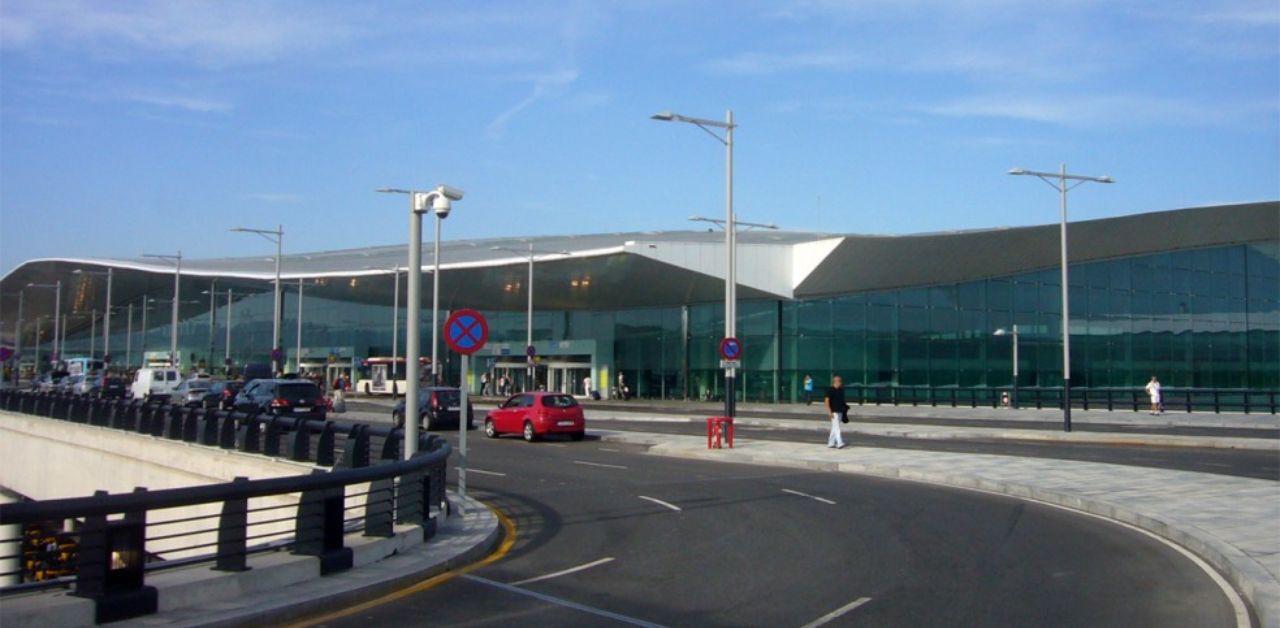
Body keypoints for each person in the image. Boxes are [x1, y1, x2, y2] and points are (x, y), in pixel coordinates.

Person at [824, 375, 848, 449]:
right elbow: (826, 401)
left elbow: (842, 400)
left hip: (840, 411)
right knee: (837, 427)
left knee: (834, 427)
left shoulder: (841, 390)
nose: (841, 383)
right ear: (835, 381)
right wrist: (829, 411)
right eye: (839, 381)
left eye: (841, 381)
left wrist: (845, 409)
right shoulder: (830, 390)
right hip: (834, 411)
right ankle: (839, 442)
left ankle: (831, 443)